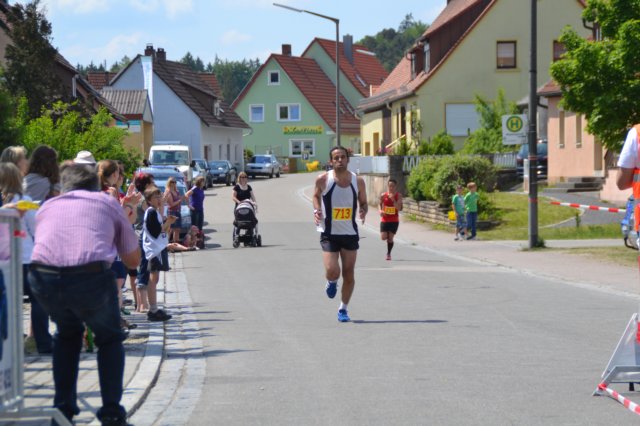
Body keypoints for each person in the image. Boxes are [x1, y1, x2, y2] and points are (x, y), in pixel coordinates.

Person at [27, 162, 140, 425]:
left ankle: (62, 411)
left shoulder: (48, 206)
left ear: (63, 187)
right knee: (109, 338)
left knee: (66, 335)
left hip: (43, 277)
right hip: (89, 276)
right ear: (96, 185)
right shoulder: (107, 202)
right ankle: (111, 412)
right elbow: (133, 260)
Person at [0, 162, 52, 354]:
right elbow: (36, 229)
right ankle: (43, 343)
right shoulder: (25, 201)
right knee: (38, 299)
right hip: (27, 258)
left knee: (8, 301)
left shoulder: (3, 203)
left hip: (5, 260)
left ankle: (9, 344)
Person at [312, 146, 368, 323]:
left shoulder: (358, 181)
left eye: (342, 157)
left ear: (348, 159)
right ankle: (332, 281)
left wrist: (363, 210)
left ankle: (343, 309)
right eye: (336, 158)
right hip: (329, 233)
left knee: (349, 274)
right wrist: (317, 210)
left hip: (350, 233)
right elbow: (315, 196)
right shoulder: (323, 179)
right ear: (331, 161)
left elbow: (364, 202)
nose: (340, 160)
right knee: (332, 270)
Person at [141, 186, 174, 321]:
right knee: (153, 279)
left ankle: (154, 308)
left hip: (157, 248)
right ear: (149, 200)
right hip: (155, 249)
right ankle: (153, 309)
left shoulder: (154, 211)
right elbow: (156, 232)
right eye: (156, 197)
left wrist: (167, 222)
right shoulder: (151, 212)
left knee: (155, 279)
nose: (159, 199)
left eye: (159, 196)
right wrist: (168, 222)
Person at [379, 178, 402, 260]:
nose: (391, 188)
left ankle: (388, 254)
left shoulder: (398, 195)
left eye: (392, 186)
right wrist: (380, 210)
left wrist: (393, 200)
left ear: (395, 187)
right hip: (385, 219)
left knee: (390, 238)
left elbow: (398, 208)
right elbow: (380, 204)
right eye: (389, 186)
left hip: (394, 220)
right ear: (387, 186)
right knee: (383, 237)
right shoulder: (383, 195)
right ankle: (388, 237)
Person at [163, 177, 183, 244]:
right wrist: (179, 200)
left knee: (177, 229)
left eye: (175, 182)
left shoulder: (177, 191)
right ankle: (166, 243)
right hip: (171, 211)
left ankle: (176, 243)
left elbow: (179, 199)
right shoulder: (168, 191)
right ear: (169, 183)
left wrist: (181, 199)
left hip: (178, 211)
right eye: (172, 182)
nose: (174, 183)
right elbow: (171, 204)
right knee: (170, 229)